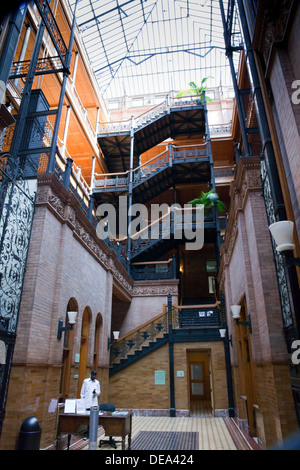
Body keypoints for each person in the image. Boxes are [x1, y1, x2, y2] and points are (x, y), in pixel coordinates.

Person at [80, 370, 101, 439]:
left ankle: (90, 432)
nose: (94, 376)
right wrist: (82, 401)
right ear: (91, 374)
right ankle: (86, 432)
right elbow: (82, 392)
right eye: (93, 375)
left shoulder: (97, 382)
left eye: (95, 375)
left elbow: (98, 393)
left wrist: (95, 393)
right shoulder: (86, 381)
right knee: (87, 418)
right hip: (87, 403)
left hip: (94, 402)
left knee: (92, 418)